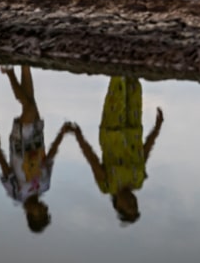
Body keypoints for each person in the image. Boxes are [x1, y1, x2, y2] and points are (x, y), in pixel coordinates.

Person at [0, 65, 75, 233]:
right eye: (45, 211)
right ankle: (24, 65)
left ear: (30, 215)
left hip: (20, 143)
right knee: (31, 101)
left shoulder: (17, 193)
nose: (44, 209)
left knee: (29, 107)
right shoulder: (45, 185)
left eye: (41, 213)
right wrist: (61, 134)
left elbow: (6, 169)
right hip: (37, 139)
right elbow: (49, 158)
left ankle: (10, 73)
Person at [67, 76, 164, 224]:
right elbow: (144, 153)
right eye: (135, 205)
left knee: (118, 85)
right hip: (134, 128)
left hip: (112, 130)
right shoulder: (138, 181)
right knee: (134, 86)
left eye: (129, 206)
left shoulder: (107, 185)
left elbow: (92, 159)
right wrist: (157, 128)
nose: (133, 202)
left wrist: (79, 136)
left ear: (118, 206)